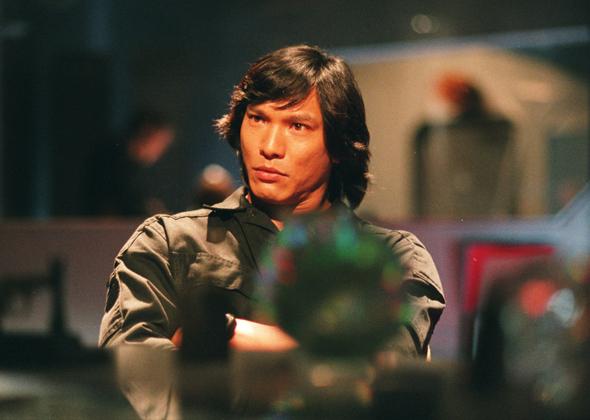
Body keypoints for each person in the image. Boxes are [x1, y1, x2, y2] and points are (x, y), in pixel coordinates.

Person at [98, 45, 445, 417]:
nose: (269, 146)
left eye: (297, 126)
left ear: (339, 146)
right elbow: (137, 379)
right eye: (258, 119)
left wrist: (227, 334)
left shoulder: (396, 258)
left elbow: (381, 382)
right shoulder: (168, 244)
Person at [85, 110, 175, 216]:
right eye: (160, 142)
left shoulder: (137, 170)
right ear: (146, 132)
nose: (161, 149)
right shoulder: (111, 165)